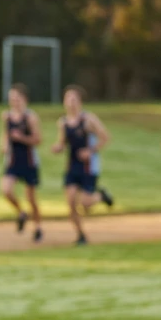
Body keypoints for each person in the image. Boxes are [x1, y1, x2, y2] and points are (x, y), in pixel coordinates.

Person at [50, 85, 114, 245]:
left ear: (80, 101)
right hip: (72, 167)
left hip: (88, 167)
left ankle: (101, 196)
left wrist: (90, 151)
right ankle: (80, 235)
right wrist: (58, 147)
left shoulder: (88, 119)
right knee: (71, 202)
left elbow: (105, 138)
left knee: (86, 203)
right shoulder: (63, 122)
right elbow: (63, 142)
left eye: (74, 99)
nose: (70, 102)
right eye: (67, 99)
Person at [0, 83, 44, 242]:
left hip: (29, 161)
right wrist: (3, 146)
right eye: (11, 98)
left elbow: (38, 140)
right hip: (12, 161)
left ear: (24, 99)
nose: (13, 101)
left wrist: (22, 138)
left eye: (16, 98)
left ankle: (38, 227)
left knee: (31, 198)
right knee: (6, 190)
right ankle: (21, 212)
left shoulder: (30, 117)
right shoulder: (7, 116)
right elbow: (5, 134)